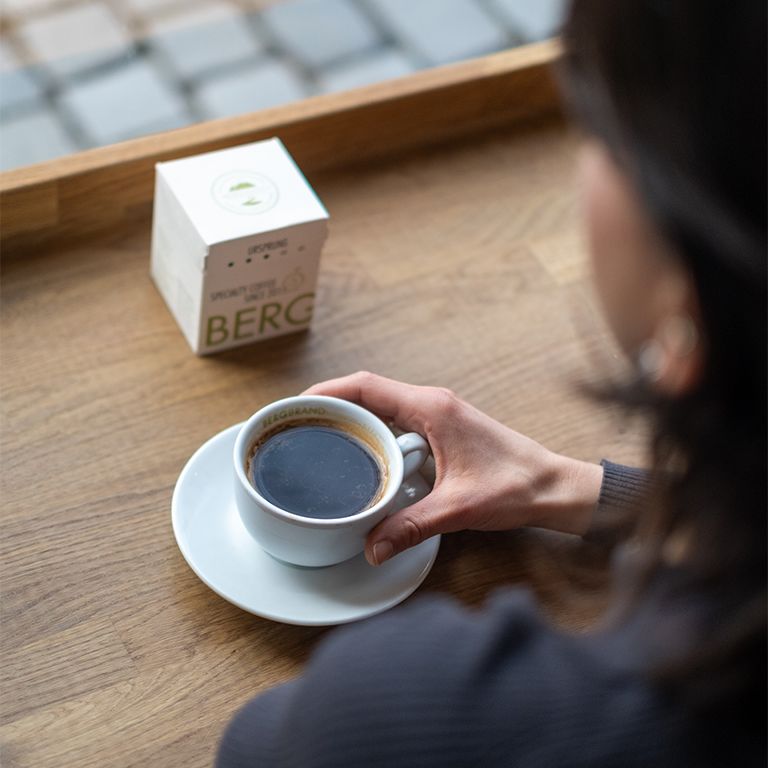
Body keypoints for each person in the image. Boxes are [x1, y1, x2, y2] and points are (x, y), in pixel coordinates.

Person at [217, 0, 766, 764]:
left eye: (599, 129)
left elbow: (256, 746)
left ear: (691, 298)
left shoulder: (440, 714)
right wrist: (565, 486)